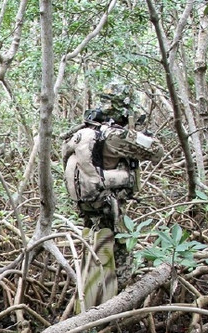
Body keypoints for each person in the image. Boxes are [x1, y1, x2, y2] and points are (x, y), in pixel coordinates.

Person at [62, 80, 163, 308]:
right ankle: (107, 311)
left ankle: (90, 306)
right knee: (119, 260)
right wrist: (137, 133)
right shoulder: (114, 136)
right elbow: (156, 151)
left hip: (90, 205)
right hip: (110, 206)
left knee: (95, 252)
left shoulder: (84, 132)